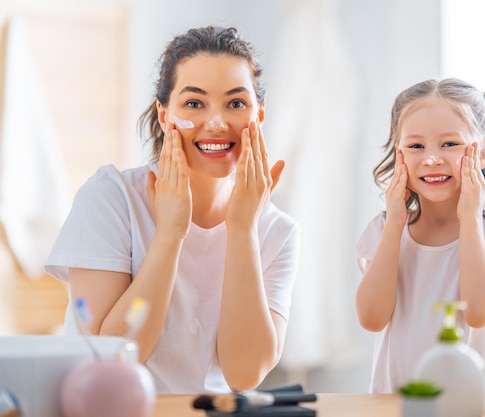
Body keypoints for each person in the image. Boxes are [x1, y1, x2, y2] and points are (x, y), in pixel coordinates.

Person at [45, 25, 300, 394]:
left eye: (236, 103)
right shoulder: (111, 198)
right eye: (194, 103)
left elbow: (244, 375)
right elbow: (111, 357)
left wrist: (243, 230)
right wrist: (169, 235)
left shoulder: (278, 232)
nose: (216, 123)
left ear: (258, 117)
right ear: (165, 116)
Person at [355, 78, 485, 393]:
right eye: (416, 146)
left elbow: (479, 313)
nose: (432, 158)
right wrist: (395, 222)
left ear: (482, 153)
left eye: (450, 144)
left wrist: (470, 219)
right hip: (397, 406)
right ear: (400, 156)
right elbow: (371, 319)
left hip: (476, 407)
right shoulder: (382, 231)